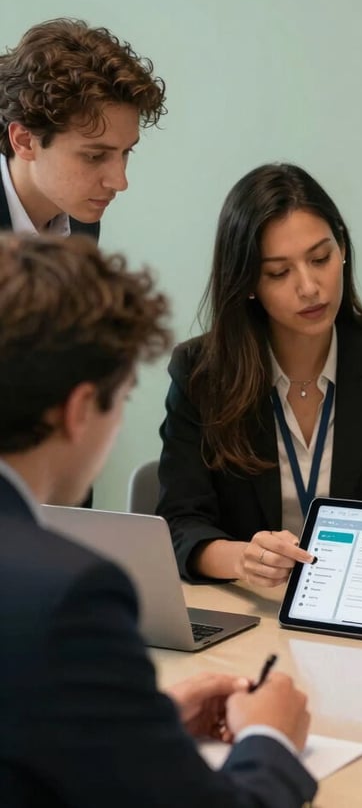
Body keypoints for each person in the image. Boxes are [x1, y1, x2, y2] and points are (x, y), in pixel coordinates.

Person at [0, 234, 317, 807]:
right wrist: (270, 738)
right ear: (79, 411)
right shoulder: (69, 594)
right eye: (122, 400)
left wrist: (141, 722)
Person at [157, 162, 362, 587]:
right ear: (247, 282)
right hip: (248, 602)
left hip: (356, 599)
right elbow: (180, 524)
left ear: (342, 249)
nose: (309, 287)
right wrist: (243, 559)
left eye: (320, 258)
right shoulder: (202, 373)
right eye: (279, 272)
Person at [0, 18, 166, 240]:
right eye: (94, 156)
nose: (120, 182)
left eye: (126, 151)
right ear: (24, 141)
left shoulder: (80, 222)